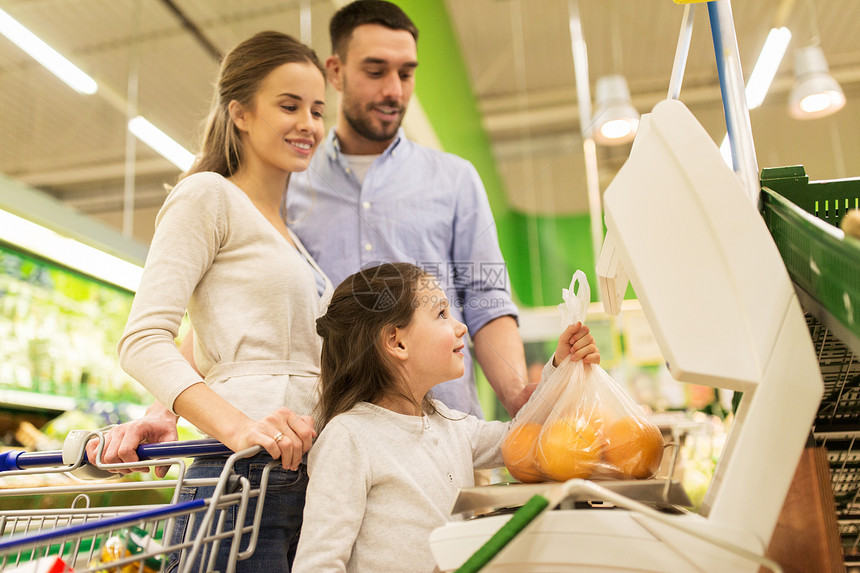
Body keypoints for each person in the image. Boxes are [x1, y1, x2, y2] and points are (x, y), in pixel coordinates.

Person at [92, 31, 331, 572]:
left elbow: (215, 334)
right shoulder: (207, 196)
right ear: (241, 113)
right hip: (240, 476)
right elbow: (141, 340)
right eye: (289, 106)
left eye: (317, 110)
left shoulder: (291, 239)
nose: (309, 125)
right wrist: (234, 425)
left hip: (308, 473)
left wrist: (168, 409)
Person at [286, 0, 533, 419]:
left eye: (406, 73)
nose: (394, 91)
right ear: (336, 71)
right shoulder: (290, 182)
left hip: (447, 436)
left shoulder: (454, 179)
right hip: (328, 434)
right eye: (375, 70)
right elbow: (249, 298)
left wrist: (518, 396)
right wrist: (171, 406)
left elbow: (485, 298)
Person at [291, 263, 599, 572]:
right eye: (441, 314)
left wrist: (562, 366)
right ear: (397, 343)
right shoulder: (348, 438)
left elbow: (526, 435)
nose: (460, 326)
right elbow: (317, 565)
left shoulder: (449, 424)